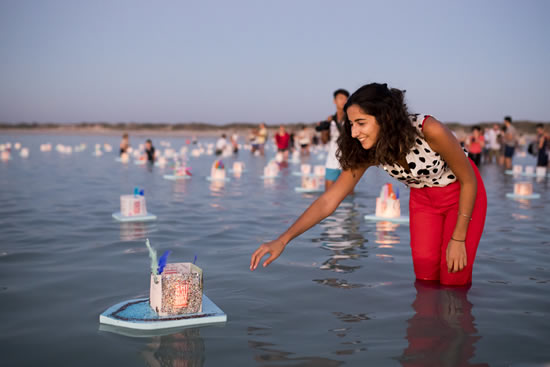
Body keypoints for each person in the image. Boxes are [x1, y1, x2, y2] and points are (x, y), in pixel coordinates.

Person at [250, 83, 487, 286]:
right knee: (425, 278)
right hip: (423, 201)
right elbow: (328, 200)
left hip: (463, 194)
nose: (354, 132)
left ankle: (457, 334)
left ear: (384, 117)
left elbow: (469, 180)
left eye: (361, 123)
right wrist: (283, 239)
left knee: (452, 277)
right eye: (351, 124)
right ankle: (427, 334)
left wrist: (458, 238)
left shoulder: (429, 130)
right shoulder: (368, 149)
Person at [315, 89, 350, 190]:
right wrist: (324, 129)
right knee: (328, 193)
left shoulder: (350, 119)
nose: (344, 101)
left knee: (349, 194)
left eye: (345, 98)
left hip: (348, 162)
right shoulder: (330, 120)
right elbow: (324, 140)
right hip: (332, 161)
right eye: (340, 98)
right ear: (335, 101)